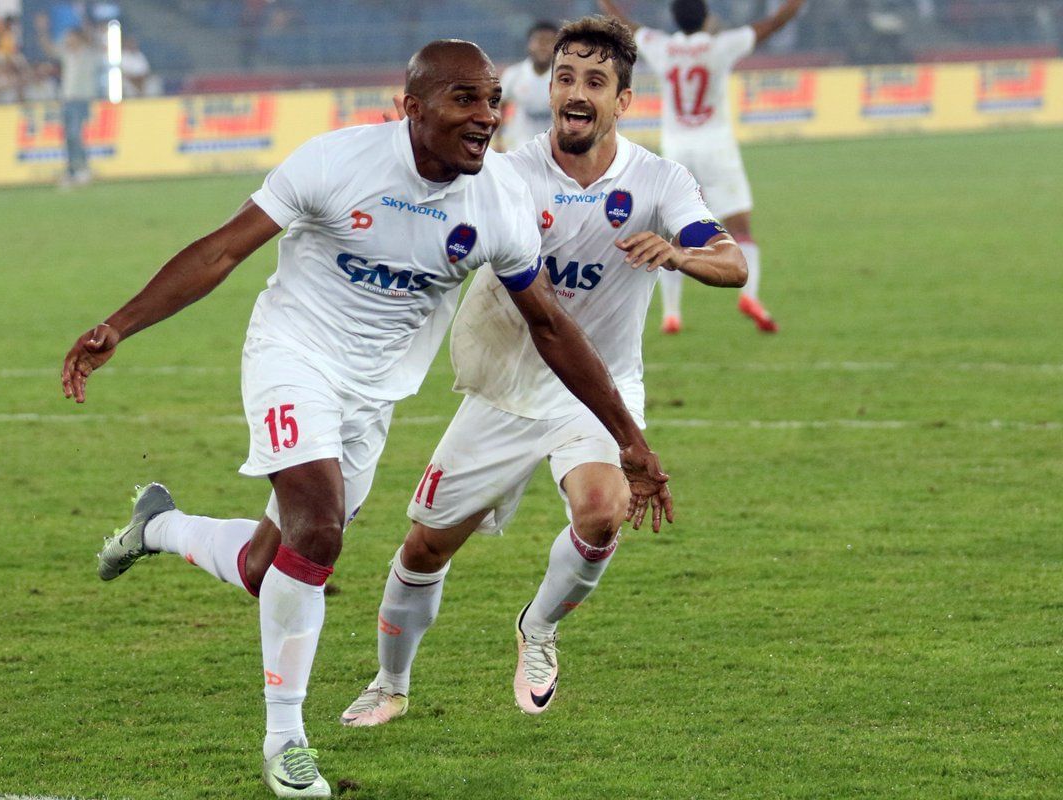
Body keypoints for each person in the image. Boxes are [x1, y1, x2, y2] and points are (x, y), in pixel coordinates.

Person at [61, 39, 673, 799]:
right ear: (411, 108)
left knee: (269, 567)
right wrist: (119, 325)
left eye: (491, 101)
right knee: (318, 529)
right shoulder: (336, 163)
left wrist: (630, 439)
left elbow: (551, 329)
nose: (486, 118)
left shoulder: (497, 204)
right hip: (293, 355)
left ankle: (156, 525)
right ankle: (286, 743)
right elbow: (221, 252)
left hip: (371, 396)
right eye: (464, 101)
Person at [337, 15, 746, 726]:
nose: (576, 93)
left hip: (599, 394)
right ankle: (389, 683)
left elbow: (732, 262)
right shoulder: (506, 176)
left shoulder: (659, 179)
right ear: (548, 90)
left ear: (624, 100)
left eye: (595, 81)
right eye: (565, 78)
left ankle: (539, 630)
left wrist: (680, 255)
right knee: (425, 545)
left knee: (602, 511)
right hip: (506, 389)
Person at [600, 0, 806, 334]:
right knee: (740, 228)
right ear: (707, 18)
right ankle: (749, 296)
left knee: (672, 233)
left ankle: (672, 314)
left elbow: (624, 24)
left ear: (674, 19)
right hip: (716, 146)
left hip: (677, 147)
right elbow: (771, 25)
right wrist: (793, 6)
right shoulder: (721, 46)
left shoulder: (661, 46)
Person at [35, 15, 102, 186]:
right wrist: (42, 30)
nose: (67, 40)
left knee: (75, 134)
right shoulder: (67, 54)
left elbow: (96, 43)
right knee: (68, 137)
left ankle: (82, 168)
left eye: (70, 36)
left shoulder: (89, 54)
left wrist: (86, 23)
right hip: (67, 99)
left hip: (81, 100)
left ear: (78, 38)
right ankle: (72, 170)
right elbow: (49, 49)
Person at [497, 20, 557, 152]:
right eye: (539, 41)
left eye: (549, 41)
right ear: (529, 44)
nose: (543, 46)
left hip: (554, 150)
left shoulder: (564, 77)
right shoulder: (513, 75)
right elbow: (499, 107)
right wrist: (497, 139)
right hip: (518, 149)